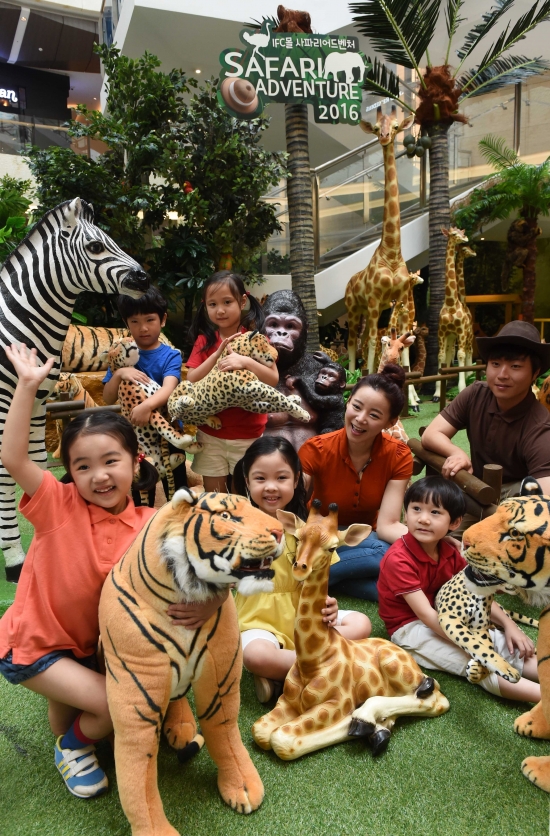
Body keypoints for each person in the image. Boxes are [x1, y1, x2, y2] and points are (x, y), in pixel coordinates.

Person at [0, 344, 224, 800]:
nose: (98, 476)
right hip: (39, 645)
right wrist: (27, 387)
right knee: (118, 706)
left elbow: (204, 562)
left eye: (110, 462)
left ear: (136, 462)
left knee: (90, 714)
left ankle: (73, 728)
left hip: (96, 649)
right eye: (82, 466)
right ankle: (71, 747)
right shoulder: (56, 505)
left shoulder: (150, 525)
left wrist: (214, 600)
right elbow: (14, 459)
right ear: (69, 473)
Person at [232, 436, 371, 703]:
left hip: (305, 616)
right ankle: (324, 666)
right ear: (247, 482)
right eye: (260, 479)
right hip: (260, 622)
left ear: (296, 481)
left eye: (281, 478)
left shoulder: (310, 531)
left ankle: (286, 675)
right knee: (256, 655)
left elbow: (321, 584)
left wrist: (329, 604)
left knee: (362, 623)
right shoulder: (238, 531)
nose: (271, 487)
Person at [378, 476, 540, 702]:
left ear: (454, 523)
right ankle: (544, 700)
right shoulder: (398, 560)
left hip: (448, 615)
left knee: (506, 646)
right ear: (406, 514)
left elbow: (476, 595)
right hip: (411, 627)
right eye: (416, 509)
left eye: (435, 512)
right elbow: (425, 615)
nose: (423, 519)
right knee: (481, 662)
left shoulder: (449, 552)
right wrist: (471, 643)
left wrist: (509, 625)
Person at [298, 364, 413, 601]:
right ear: (348, 402)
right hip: (319, 540)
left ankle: (315, 579)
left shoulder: (398, 455)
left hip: (364, 538)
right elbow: (294, 506)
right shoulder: (316, 449)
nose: (360, 419)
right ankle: (310, 575)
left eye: (374, 415)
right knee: (384, 554)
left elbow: (388, 524)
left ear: (390, 422)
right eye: (356, 407)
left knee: (391, 567)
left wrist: (432, 542)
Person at [421, 320, 550, 532]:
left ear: (535, 373)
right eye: (496, 364)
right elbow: (431, 434)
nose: (502, 375)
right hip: (474, 494)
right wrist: (456, 452)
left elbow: (545, 500)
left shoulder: (540, 427)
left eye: (515, 366)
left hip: (514, 510)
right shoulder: (476, 394)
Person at [186, 270, 278, 493]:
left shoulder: (256, 339)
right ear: (204, 306)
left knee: (243, 498)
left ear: (242, 301)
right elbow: (192, 378)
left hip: (247, 434)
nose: (220, 310)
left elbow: (273, 379)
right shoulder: (204, 341)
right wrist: (217, 353)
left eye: (227, 302)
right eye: (212, 304)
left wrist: (245, 361)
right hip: (211, 434)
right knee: (215, 499)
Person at [103, 285, 185, 505]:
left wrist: (146, 407)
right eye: (135, 322)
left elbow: (169, 388)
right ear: (126, 323)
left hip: (168, 432)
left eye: (150, 320)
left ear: (163, 319)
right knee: (141, 491)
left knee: (177, 493)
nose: (143, 328)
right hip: (137, 438)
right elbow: (108, 398)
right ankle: (142, 529)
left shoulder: (171, 355)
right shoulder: (122, 355)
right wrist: (119, 373)